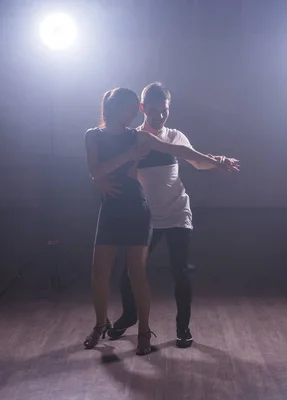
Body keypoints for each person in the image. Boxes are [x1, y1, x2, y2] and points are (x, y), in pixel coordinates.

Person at [83, 87, 226, 356]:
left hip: (152, 209)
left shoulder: (143, 137)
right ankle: (109, 322)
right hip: (126, 211)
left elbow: (182, 152)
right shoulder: (100, 135)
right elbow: (95, 170)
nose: (157, 115)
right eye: (134, 108)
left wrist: (215, 161)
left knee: (159, 272)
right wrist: (103, 174)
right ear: (125, 109)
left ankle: (161, 330)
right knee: (110, 274)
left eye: (164, 110)